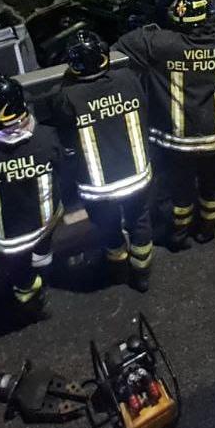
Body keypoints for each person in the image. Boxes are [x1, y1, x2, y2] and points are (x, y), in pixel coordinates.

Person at [114, 0, 215, 249]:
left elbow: (124, 44)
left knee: (179, 192)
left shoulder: (160, 44)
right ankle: (208, 229)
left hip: (178, 142)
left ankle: (178, 236)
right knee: (213, 187)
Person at [54, 30, 154, 291]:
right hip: (136, 176)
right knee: (139, 222)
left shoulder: (67, 96)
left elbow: (66, 140)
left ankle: (117, 269)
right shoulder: (129, 79)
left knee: (108, 228)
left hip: (98, 188)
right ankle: (142, 274)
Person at [0, 74, 67, 321]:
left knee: (21, 277)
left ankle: (31, 301)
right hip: (46, 224)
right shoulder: (46, 138)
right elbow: (61, 167)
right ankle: (46, 276)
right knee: (43, 254)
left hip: (8, 240)